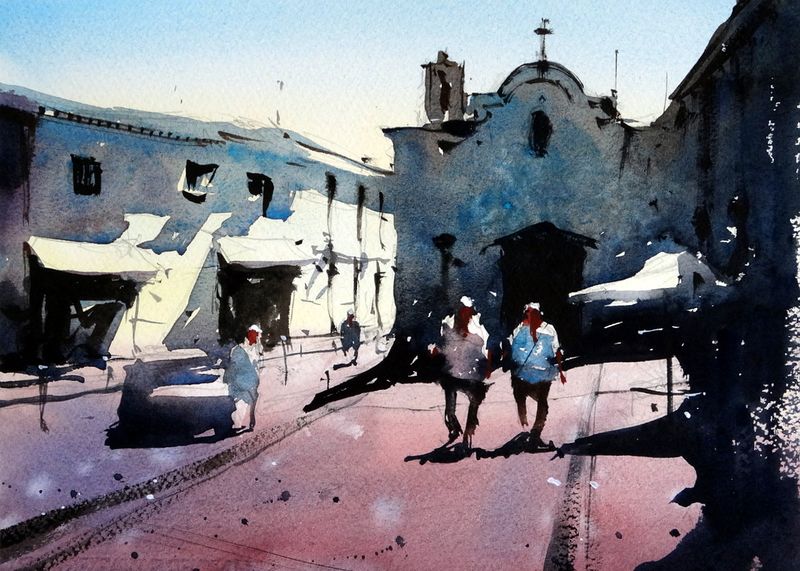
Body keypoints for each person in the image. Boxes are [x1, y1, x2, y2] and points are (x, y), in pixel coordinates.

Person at [435, 296, 492, 448]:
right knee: (470, 399)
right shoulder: (469, 325)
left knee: (459, 397)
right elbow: (485, 348)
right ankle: (463, 430)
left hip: (460, 373)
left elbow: (483, 349)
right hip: (463, 373)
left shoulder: (472, 326)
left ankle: (461, 430)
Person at [508, 302, 566, 445]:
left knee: (540, 402)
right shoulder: (521, 329)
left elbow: (556, 349)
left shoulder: (544, 329)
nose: (531, 315)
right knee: (542, 403)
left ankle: (532, 431)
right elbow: (557, 350)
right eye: (529, 312)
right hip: (535, 373)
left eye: (533, 312)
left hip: (536, 373)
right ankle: (533, 432)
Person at [223, 324, 263, 432]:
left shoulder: (254, 349)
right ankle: (237, 425)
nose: (259, 337)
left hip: (250, 382)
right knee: (240, 403)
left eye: (259, 335)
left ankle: (245, 423)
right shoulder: (239, 349)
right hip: (241, 382)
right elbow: (235, 367)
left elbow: (257, 364)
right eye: (257, 334)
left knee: (247, 403)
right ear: (251, 334)